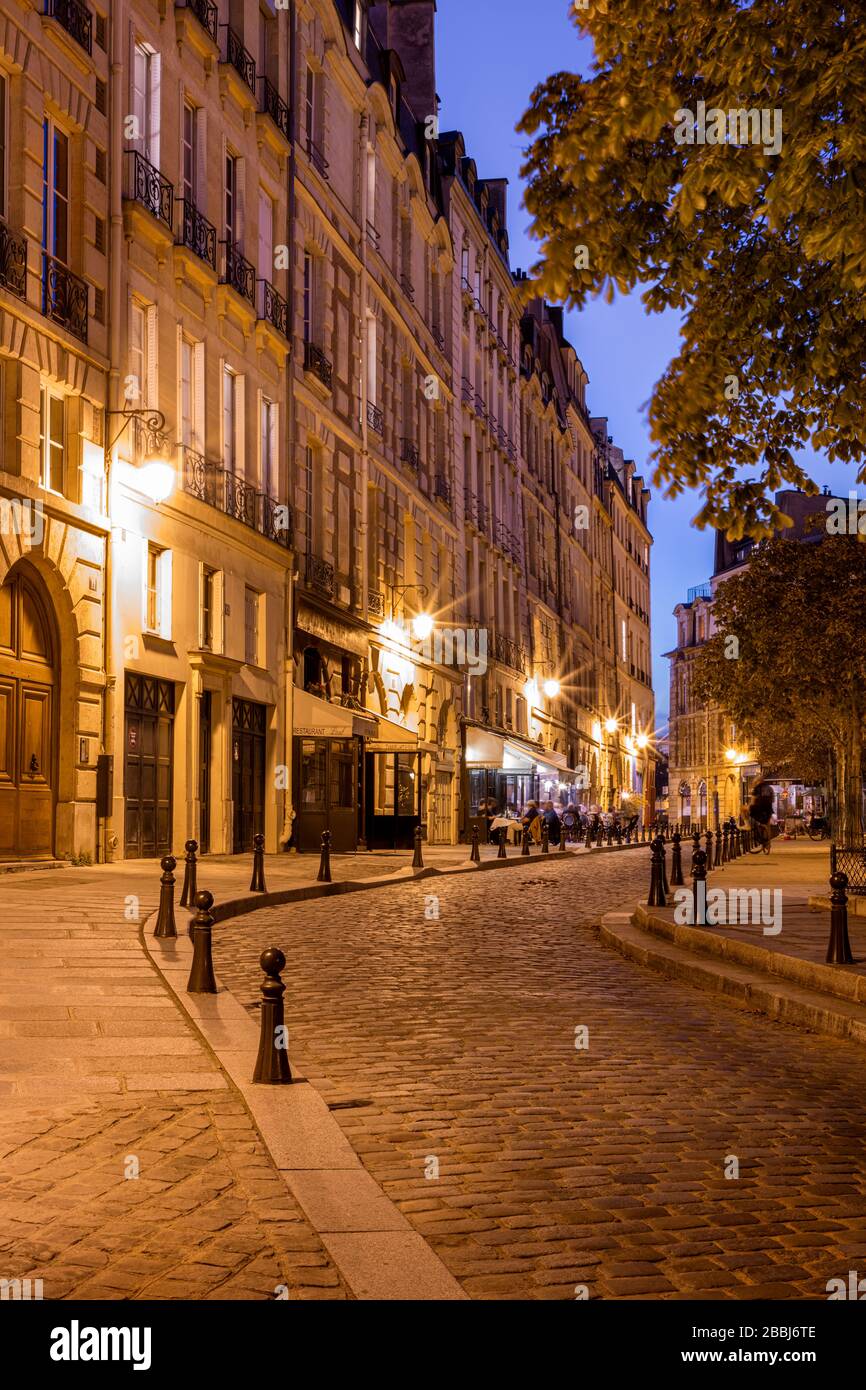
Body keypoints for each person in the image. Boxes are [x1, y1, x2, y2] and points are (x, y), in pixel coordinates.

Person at [748, 781, 775, 854]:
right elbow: (773, 800)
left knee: (745, 811)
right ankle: (768, 844)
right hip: (768, 809)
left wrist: (750, 807)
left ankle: (748, 825)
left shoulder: (756, 788)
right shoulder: (770, 788)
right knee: (767, 825)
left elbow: (752, 801)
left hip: (759, 809)